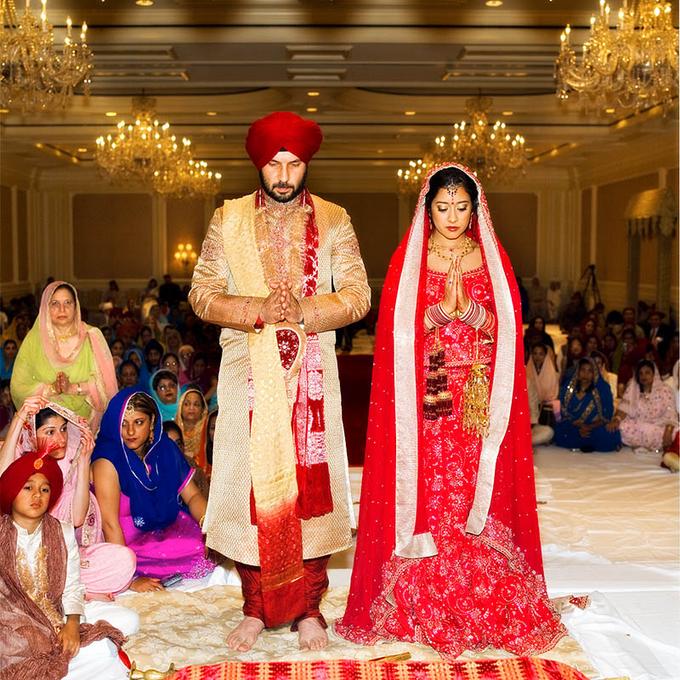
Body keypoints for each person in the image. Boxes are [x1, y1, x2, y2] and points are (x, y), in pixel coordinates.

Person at [336, 164, 564, 656]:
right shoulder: (410, 261)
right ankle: (425, 584)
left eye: (462, 207)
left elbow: (508, 330)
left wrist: (472, 313)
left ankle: (481, 586)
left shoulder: (491, 258)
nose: (453, 217)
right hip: (427, 400)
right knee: (433, 488)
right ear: (428, 208)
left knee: (473, 488)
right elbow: (395, 335)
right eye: (443, 207)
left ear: (476, 208)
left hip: (477, 401)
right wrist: (440, 313)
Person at [189, 110, 370, 651]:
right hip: (249, 372)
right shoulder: (228, 220)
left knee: (310, 491)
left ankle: (309, 610)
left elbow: (359, 295)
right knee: (250, 488)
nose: (285, 175)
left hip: (310, 375)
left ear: (307, 164)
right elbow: (201, 294)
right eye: (274, 164)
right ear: (259, 166)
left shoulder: (334, 219)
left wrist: (305, 311)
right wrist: (258, 309)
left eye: (294, 164)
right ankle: (255, 608)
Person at [0, 450, 125, 679]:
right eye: (27, 487)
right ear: (12, 490)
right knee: (27, 646)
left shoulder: (62, 531)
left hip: (53, 617)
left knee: (112, 640)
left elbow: (72, 585)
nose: (37, 495)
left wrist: (72, 624)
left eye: (44, 489)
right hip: (10, 624)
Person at [1, 398, 137, 598]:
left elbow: (77, 518)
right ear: (32, 435)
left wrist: (84, 461)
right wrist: (18, 420)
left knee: (124, 559)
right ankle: (71, 592)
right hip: (21, 556)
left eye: (63, 429)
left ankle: (64, 590)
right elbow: (3, 479)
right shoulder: (19, 460)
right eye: (50, 432)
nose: (61, 438)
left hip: (61, 557)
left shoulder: (68, 463)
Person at [92, 389, 213, 589]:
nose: (130, 432)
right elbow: (109, 523)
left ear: (152, 422)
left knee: (206, 546)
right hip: (125, 543)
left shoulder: (165, 449)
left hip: (165, 528)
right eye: (123, 424)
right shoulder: (108, 460)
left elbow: (192, 496)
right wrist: (128, 578)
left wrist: (210, 529)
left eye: (139, 422)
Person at [10, 282, 117, 429]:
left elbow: (108, 387)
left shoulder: (92, 337)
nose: (62, 309)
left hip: (86, 428)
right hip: (45, 427)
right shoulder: (34, 341)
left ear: (76, 306)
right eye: (55, 303)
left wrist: (72, 388)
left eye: (68, 303)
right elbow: (18, 388)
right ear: (46, 308)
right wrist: (52, 389)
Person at [608, 359, 678, 452]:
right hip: (638, 426)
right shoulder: (633, 389)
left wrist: (668, 431)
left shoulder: (665, 390)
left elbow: (671, 413)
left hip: (658, 427)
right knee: (622, 426)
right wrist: (616, 420)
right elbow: (624, 408)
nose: (643, 376)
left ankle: (647, 444)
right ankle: (642, 444)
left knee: (676, 433)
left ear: (654, 374)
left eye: (647, 373)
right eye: (640, 373)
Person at [554, 358, 620, 452]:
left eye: (590, 371)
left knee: (609, 434)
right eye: (583, 370)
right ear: (577, 371)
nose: (586, 374)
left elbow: (607, 416)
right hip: (574, 427)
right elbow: (563, 412)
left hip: (594, 427)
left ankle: (584, 442)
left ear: (594, 374)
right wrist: (578, 426)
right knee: (560, 430)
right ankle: (589, 443)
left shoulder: (602, 389)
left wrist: (589, 427)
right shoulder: (568, 388)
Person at [176, 388, 209, 472]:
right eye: (187, 404)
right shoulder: (173, 431)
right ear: (180, 407)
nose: (191, 408)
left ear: (203, 410)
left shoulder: (207, 431)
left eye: (196, 405)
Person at [526, 342, 559, 425]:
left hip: (546, 409)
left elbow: (553, 394)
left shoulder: (552, 373)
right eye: (535, 353)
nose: (537, 357)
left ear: (545, 356)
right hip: (529, 408)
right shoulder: (527, 371)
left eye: (541, 354)